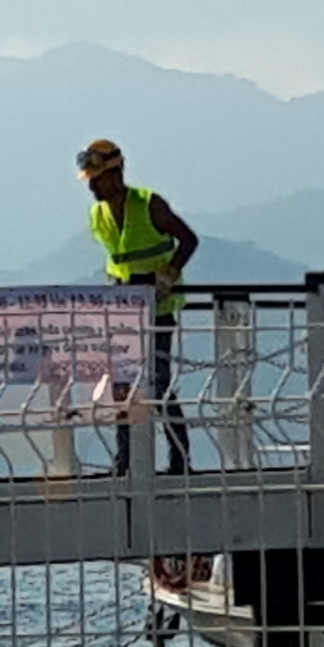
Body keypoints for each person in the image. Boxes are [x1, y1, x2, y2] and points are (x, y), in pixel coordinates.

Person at [79, 137, 197, 475]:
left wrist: (169, 272)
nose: (92, 187)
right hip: (122, 308)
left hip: (157, 307)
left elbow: (188, 240)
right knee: (121, 386)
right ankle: (125, 463)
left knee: (157, 384)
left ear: (116, 175)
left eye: (97, 179)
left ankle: (179, 460)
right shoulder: (98, 215)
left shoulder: (149, 204)